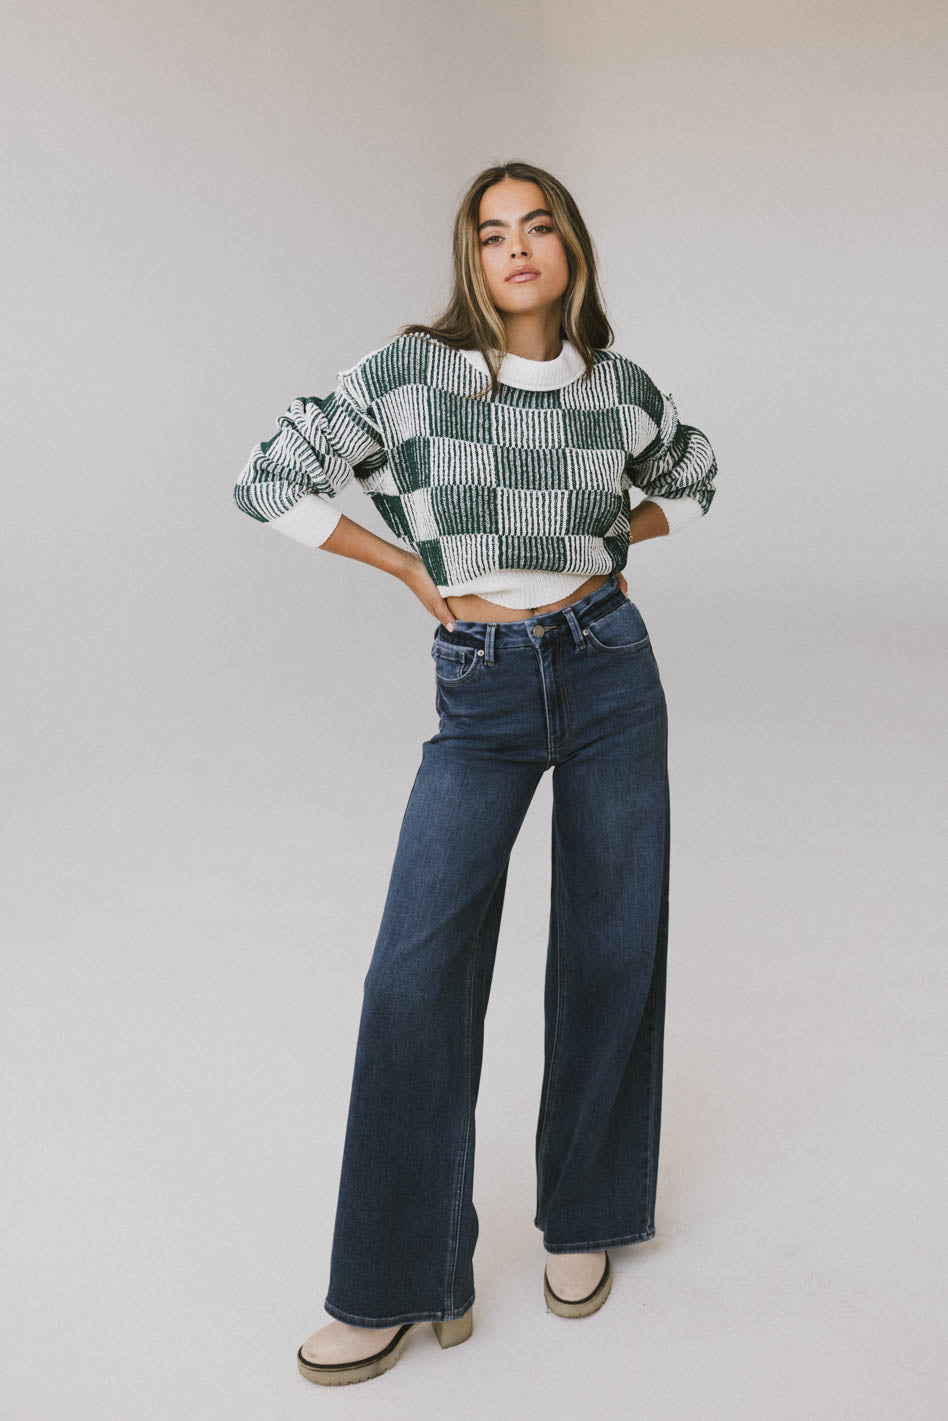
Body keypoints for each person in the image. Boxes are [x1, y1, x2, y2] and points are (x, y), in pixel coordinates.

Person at [233, 159, 718, 1387]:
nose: (516, 249)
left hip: (610, 668)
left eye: (537, 226)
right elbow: (269, 474)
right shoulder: (417, 372)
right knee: (414, 974)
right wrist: (409, 566)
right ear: (473, 258)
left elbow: (695, 479)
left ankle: (588, 1211)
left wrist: (605, 539)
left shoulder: (619, 390)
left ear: (571, 249)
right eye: (493, 233)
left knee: (611, 945)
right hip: (483, 687)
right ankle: (400, 1277)